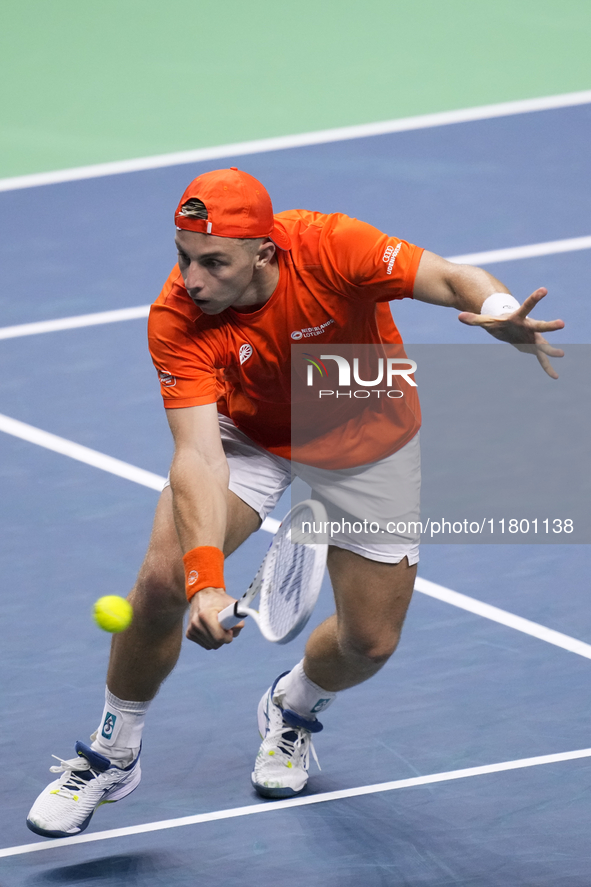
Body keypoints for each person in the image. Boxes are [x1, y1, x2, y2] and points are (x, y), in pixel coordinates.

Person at [26, 167, 564, 838]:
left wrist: (494, 310)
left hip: (366, 433)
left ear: (264, 252)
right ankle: (112, 751)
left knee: (369, 643)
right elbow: (196, 455)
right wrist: (205, 581)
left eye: (213, 262)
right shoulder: (178, 315)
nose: (192, 279)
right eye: (184, 257)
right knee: (163, 581)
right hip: (249, 436)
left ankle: (293, 702)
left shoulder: (333, 247)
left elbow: (455, 277)